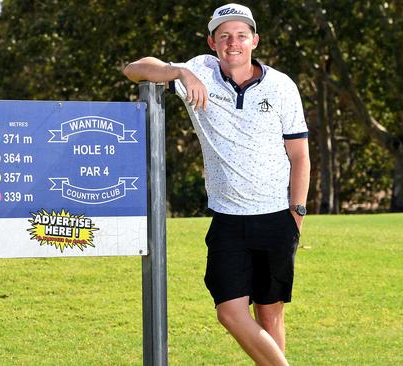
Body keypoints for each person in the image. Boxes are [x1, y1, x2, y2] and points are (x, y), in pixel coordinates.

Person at [124, 3, 309, 365]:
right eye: (224, 36)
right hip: (228, 220)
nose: (233, 43)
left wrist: (297, 213)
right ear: (212, 42)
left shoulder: (282, 86)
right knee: (230, 312)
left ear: (254, 40)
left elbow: (300, 155)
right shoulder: (199, 72)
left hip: (276, 218)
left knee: (271, 315)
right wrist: (178, 72)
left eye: (241, 35)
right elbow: (134, 69)